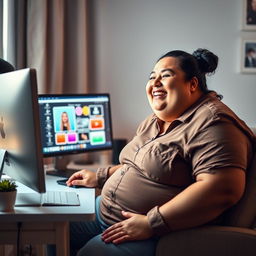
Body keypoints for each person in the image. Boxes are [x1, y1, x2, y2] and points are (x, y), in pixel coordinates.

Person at [64, 48, 255, 256]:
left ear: (192, 84)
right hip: (107, 212)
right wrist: (101, 176)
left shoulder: (214, 123)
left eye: (165, 76)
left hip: (153, 233)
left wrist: (151, 223)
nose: (155, 82)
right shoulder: (159, 119)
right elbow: (141, 165)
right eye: (152, 77)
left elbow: (222, 190)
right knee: (49, 228)